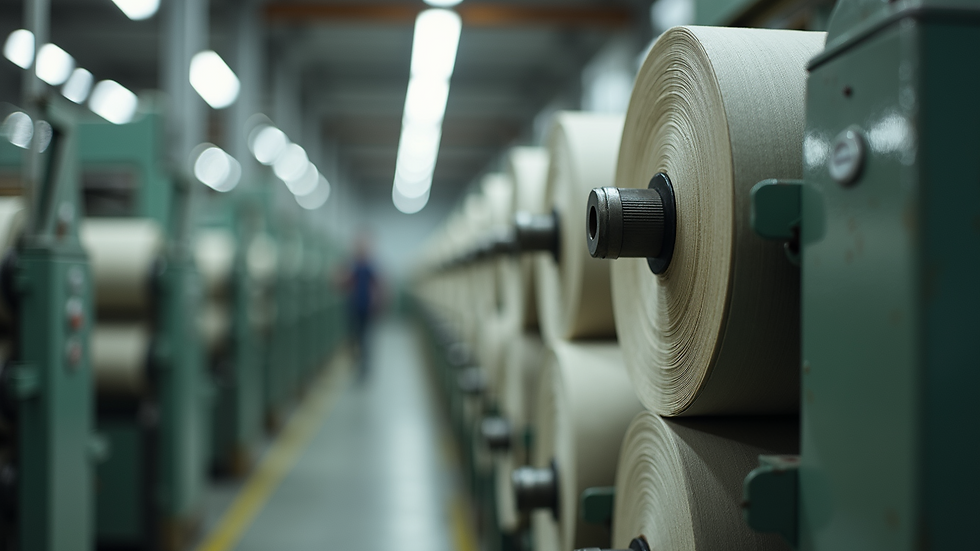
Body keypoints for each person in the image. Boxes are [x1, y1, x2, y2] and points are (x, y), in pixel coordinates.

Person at [343, 236, 381, 381]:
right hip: (353, 306)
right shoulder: (352, 265)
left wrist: (377, 303)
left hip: (366, 308)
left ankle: (364, 366)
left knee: (365, 338)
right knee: (354, 337)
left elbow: (379, 286)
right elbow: (343, 282)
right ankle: (357, 362)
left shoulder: (371, 266)